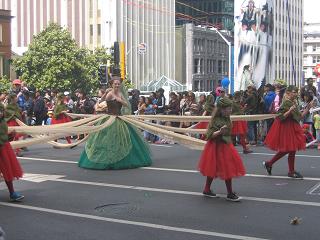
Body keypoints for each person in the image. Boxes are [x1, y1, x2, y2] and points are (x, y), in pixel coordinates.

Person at [78, 77, 152, 169]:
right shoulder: (110, 94)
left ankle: (122, 158)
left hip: (119, 118)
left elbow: (126, 104)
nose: (117, 85)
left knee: (124, 139)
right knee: (107, 139)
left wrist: (119, 99)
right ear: (112, 85)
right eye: (115, 84)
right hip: (110, 118)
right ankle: (107, 159)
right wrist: (105, 94)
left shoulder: (120, 93)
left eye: (118, 84)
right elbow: (101, 102)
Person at [198, 97, 245, 202]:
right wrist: (219, 132)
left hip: (225, 145)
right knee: (220, 167)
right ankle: (228, 193)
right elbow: (209, 135)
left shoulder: (227, 118)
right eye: (228, 108)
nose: (230, 110)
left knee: (226, 167)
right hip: (216, 146)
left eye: (230, 108)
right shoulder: (215, 119)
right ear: (222, 109)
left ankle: (209, 189)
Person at [263, 86, 311, 179]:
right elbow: (280, 117)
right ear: (288, 93)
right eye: (294, 92)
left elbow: (300, 117)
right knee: (289, 149)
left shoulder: (293, 102)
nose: (296, 94)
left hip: (292, 127)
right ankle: (288, 170)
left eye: (297, 92)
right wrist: (289, 111)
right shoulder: (286, 103)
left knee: (291, 149)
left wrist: (308, 108)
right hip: (286, 128)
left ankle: (272, 164)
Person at [0, 103, 24, 201]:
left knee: (7, 170)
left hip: (4, 148)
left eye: (1, 111)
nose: (0, 113)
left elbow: (5, 136)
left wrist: (11, 135)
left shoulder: (3, 122)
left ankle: (12, 193)